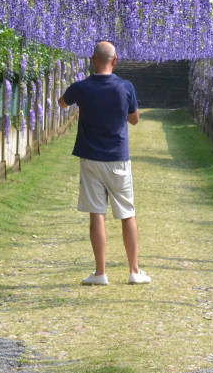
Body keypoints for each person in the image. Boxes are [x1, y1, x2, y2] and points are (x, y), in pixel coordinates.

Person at [58, 41, 151, 285]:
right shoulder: (126, 87)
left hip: (91, 158)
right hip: (118, 158)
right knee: (127, 213)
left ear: (93, 60)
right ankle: (134, 271)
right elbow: (134, 120)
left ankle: (100, 273)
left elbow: (62, 102)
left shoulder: (82, 87)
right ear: (115, 60)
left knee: (96, 213)